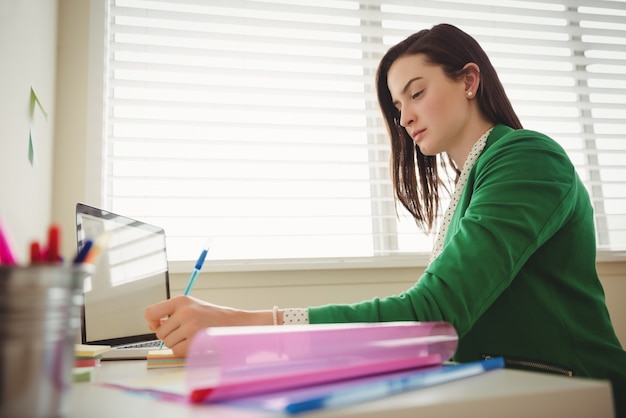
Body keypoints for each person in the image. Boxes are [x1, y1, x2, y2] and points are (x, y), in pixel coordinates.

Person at [145, 23, 626, 416]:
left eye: (416, 94)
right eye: (398, 107)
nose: (405, 117)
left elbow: (432, 314)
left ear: (469, 81)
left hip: (575, 390)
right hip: (506, 385)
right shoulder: (470, 182)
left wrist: (244, 324)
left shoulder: (526, 158)